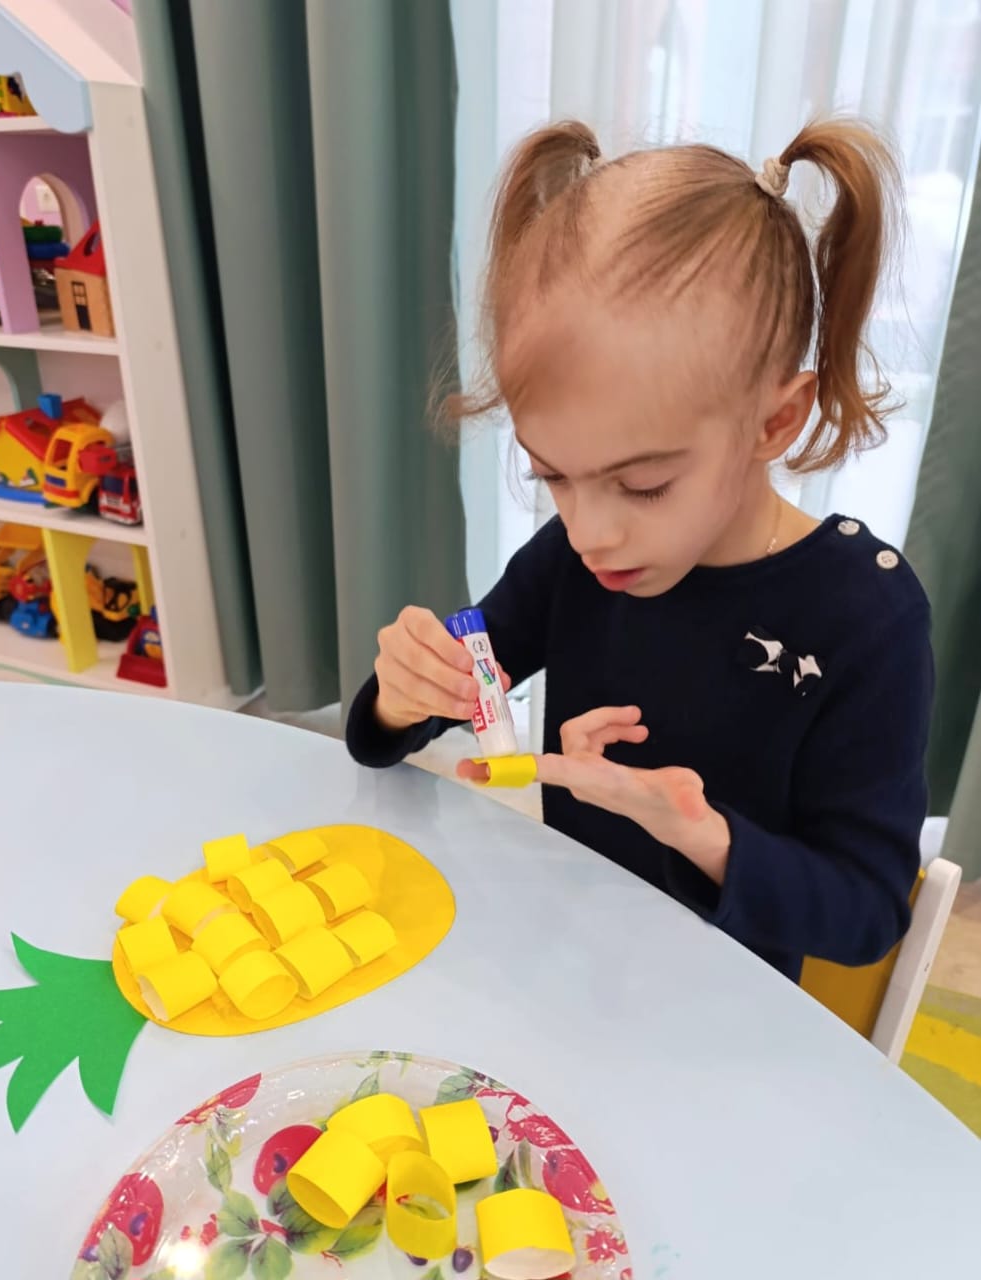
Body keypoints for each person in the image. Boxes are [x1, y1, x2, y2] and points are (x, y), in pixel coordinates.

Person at [345, 118, 934, 981]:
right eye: (552, 475)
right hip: (561, 962)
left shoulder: (865, 616)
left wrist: (698, 833)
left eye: (643, 485)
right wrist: (401, 696)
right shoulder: (570, 560)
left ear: (775, 421)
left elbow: (867, 914)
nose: (589, 532)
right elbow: (397, 731)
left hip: (724, 1002)